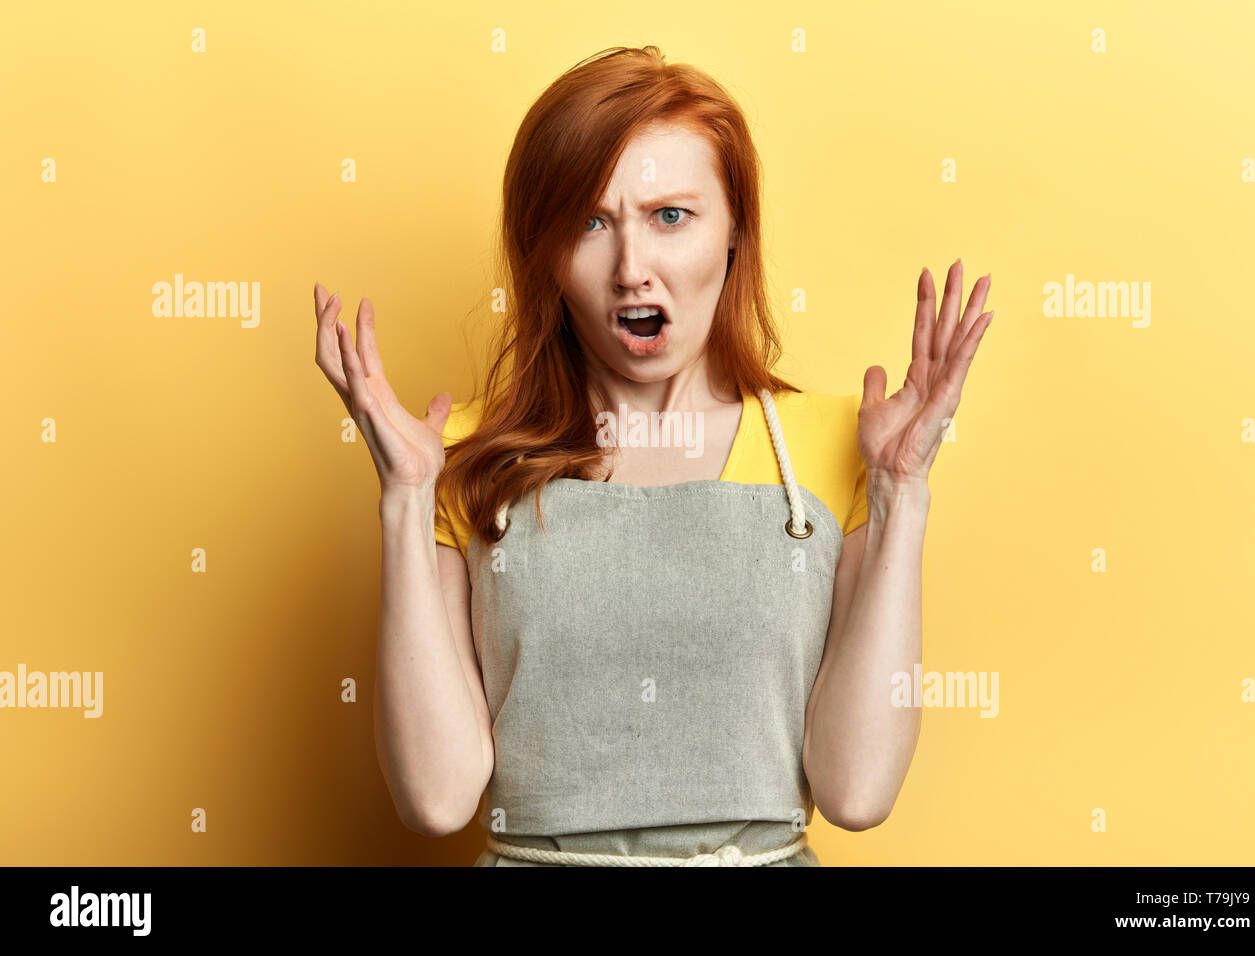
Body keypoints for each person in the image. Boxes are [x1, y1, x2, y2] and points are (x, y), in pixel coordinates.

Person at [311, 45, 992, 867]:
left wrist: (901, 493)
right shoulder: (459, 458)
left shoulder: (841, 448)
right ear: (545, 253)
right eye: (589, 223)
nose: (633, 269)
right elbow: (436, 796)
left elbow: (856, 792)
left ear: (735, 230)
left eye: (672, 216)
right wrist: (404, 498)